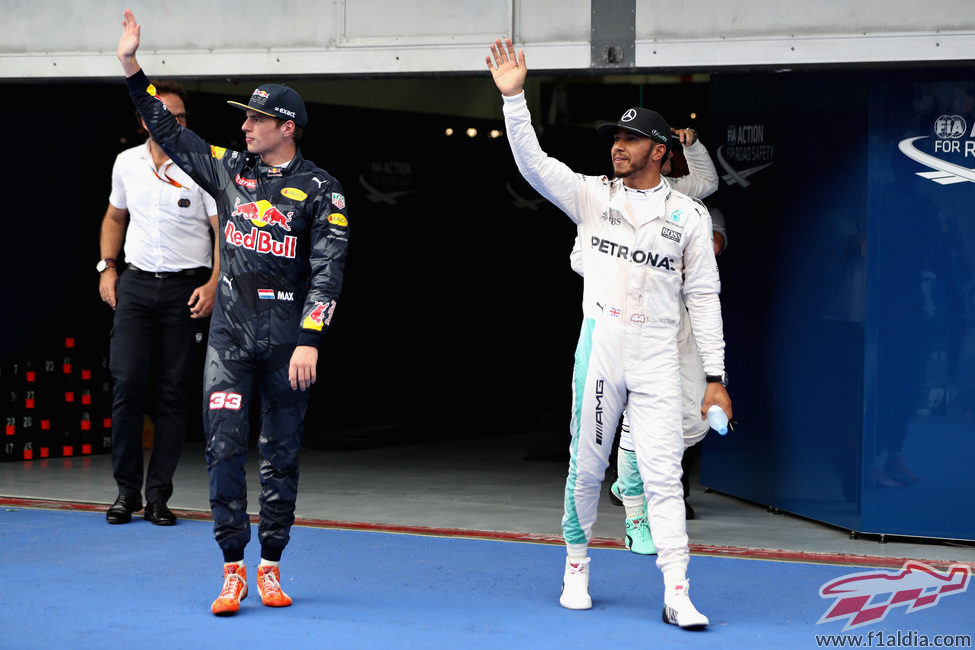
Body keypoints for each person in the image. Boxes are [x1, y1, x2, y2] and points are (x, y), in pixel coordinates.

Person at [487, 38, 731, 629]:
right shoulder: (593, 195)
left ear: (659, 150)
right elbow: (534, 165)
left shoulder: (690, 216)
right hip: (601, 345)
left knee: (663, 474)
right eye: (614, 140)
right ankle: (576, 566)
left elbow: (704, 298)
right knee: (586, 465)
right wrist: (514, 99)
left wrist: (717, 378)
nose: (617, 147)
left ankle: (678, 590)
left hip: (657, 355)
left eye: (628, 140)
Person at [117, 9, 349, 616]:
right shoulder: (228, 169)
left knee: (281, 453)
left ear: (287, 128)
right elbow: (168, 132)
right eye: (244, 117)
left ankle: (270, 564)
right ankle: (231, 570)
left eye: (256, 118)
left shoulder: (323, 188)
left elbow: (329, 270)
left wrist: (311, 340)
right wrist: (131, 67)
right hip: (228, 338)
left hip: (287, 343)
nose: (244, 125)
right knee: (222, 449)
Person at [570, 132, 722, 555]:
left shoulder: (681, 202)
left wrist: (692, 147)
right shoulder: (601, 199)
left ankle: (629, 480)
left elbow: (707, 182)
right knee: (633, 423)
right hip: (621, 324)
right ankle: (636, 512)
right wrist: (630, 270)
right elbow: (579, 258)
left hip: (674, 322)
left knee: (693, 419)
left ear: (662, 157)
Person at [99, 80, 220, 527]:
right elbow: (115, 216)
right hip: (134, 284)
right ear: (144, 119)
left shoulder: (201, 163)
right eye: (165, 115)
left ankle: (157, 498)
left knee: (173, 392)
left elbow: (221, 229)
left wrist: (213, 283)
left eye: (181, 117)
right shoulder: (126, 162)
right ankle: (125, 493)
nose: (174, 123)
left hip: (185, 289)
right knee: (127, 382)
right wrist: (106, 267)